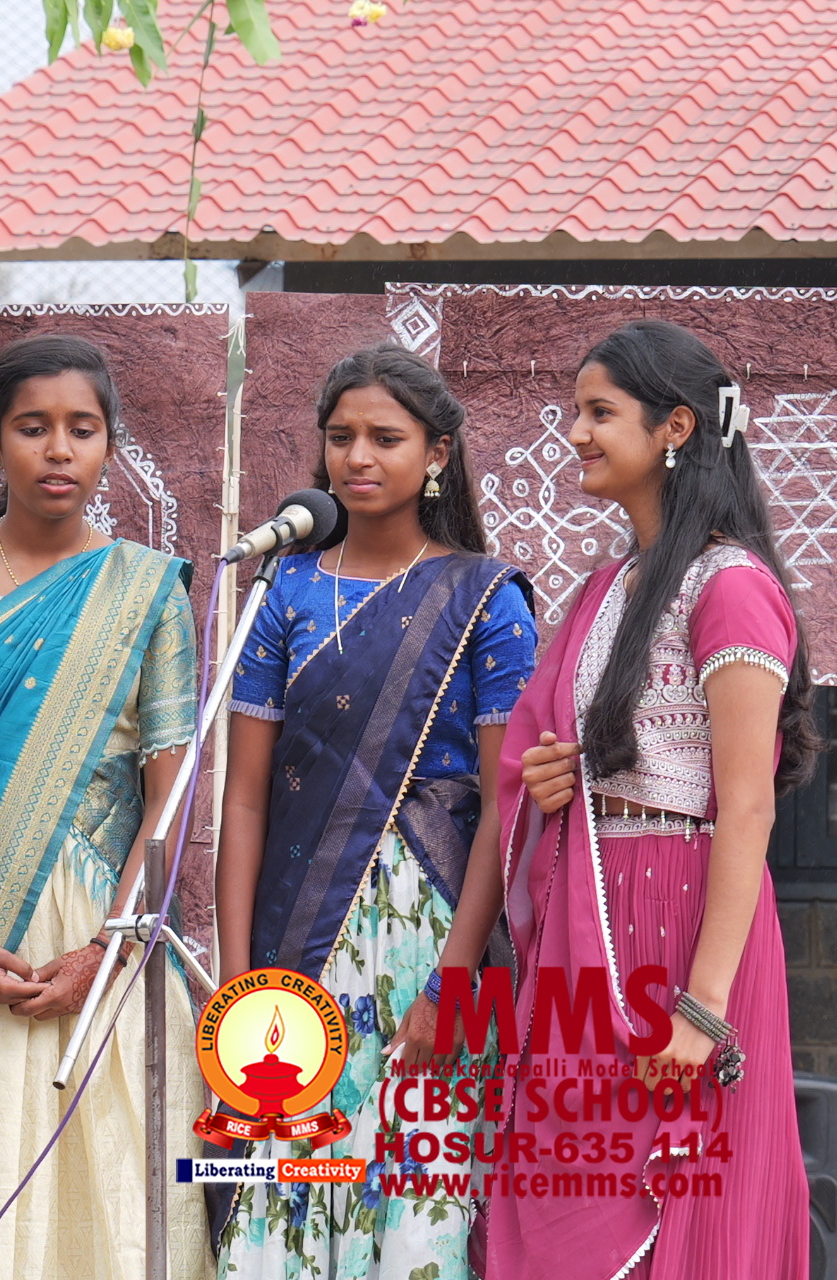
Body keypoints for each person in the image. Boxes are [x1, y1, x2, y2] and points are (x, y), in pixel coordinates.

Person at [0, 333, 210, 1279]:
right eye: (32, 428)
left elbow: (169, 798)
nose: (58, 450)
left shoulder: (149, 591)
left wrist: (106, 951)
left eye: (81, 429)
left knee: (114, 1205)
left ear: (110, 446)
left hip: (106, 941)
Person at [489, 320, 812, 1280]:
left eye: (599, 413)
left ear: (675, 427)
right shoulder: (606, 588)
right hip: (590, 913)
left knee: (677, 1201)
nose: (576, 434)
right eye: (575, 412)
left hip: (685, 924)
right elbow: (552, 756)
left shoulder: (732, 585)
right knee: (569, 1194)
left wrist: (703, 1010)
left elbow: (745, 809)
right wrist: (550, 780)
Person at [214, 343, 535, 1278]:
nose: (357, 456)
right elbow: (245, 799)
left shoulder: (488, 600)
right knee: (285, 1197)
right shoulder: (283, 591)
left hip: (433, 943)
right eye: (340, 436)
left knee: (418, 1214)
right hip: (297, 938)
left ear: (437, 453)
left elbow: (505, 812)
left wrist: (452, 989)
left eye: (385, 438)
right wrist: (235, 995)